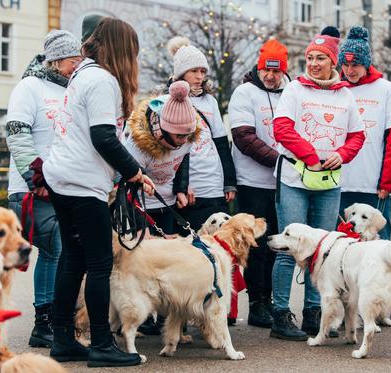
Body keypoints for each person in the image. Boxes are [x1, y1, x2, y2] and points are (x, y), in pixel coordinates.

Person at [42, 18, 154, 367]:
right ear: (123, 50)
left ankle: (62, 340)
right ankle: (102, 345)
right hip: (81, 182)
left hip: (62, 178)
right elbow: (103, 136)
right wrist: (135, 172)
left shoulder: (82, 75)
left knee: (73, 258)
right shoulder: (103, 81)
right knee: (99, 263)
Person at [270, 26, 365, 341]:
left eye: (320, 58)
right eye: (309, 57)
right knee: (287, 248)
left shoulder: (345, 94)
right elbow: (282, 128)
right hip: (294, 178)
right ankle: (281, 315)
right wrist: (310, 155)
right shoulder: (295, 90)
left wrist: (341, 154)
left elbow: (357, 135)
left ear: (332, 61)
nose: (313, 63)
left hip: (328, 182)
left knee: (325, 249)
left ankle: (315, 313)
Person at [5, 30, 83, 348]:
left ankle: (59, 318)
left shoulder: (74, 90)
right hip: (33, 188)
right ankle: (44, 321)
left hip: (64, 186)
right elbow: (17, 133)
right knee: (55, 250)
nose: (77, 66)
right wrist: (34, 178)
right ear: (54, 60)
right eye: (72, 60)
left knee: (65, 251)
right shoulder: (29, 87)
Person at [229, 39, 290, 328]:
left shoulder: (292, 93)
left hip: (285, 183)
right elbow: (243, 137)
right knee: (255, 245)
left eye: (276, 72)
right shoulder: (245, 92)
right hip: (252, 182)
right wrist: (280, 161)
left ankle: (271, 300)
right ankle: (256, 304)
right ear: (259, 66)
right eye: (266, 69)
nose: (270, 76)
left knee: (277, 244)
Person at [337, 26, 391, 239]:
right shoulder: (335, 87)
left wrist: (388, 183)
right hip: (337, 183)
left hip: (372, 184)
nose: (349, 70)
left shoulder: (386, 90)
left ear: (366, 63)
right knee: (340, 245)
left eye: (355, 64)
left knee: (379, 247)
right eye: (345, 64)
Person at [166, 37, 237, 232]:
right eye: (194, 71)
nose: (199, 76)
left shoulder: (210, 102)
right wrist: (181, 186)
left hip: (214, 183)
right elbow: (171, 151)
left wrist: (229, 182)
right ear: (181, 73)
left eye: (203, 71)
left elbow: (222, 143)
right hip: (192, 188)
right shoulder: (169, 101)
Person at [124, 80, 198, 234]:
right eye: (179, 136)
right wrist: (140, 224)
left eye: (187, 135)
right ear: (163, 129)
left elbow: (183, 159)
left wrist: (180, 189)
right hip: (142, 206)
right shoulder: (138, 145)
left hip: (168, 204)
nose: (184, 140)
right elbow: (127, 180)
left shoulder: (188, 137)